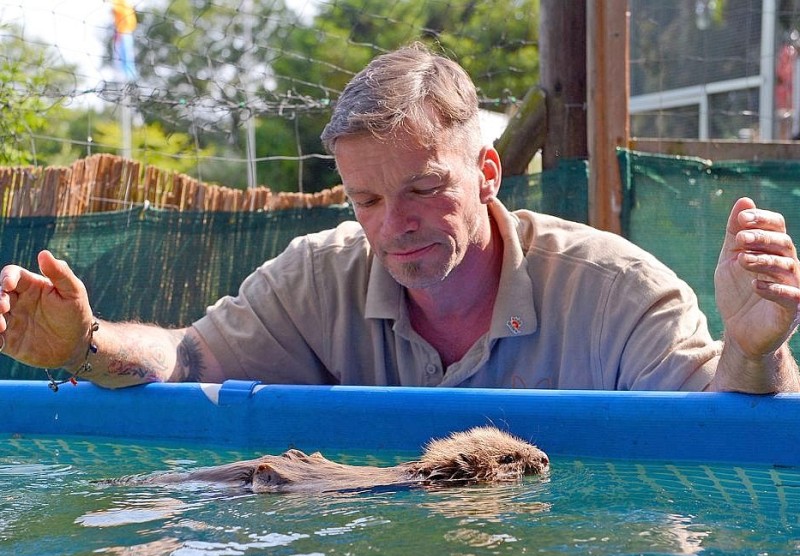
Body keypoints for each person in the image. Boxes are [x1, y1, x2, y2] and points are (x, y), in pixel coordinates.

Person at [1, 43, 799, 392]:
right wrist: (87, 343)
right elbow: (191, 362)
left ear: (488, 172)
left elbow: (721, 426)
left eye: (422, 188)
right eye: (369, 200)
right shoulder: (318, 276)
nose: (395, 225)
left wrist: (757, 350)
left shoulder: (618, 292)